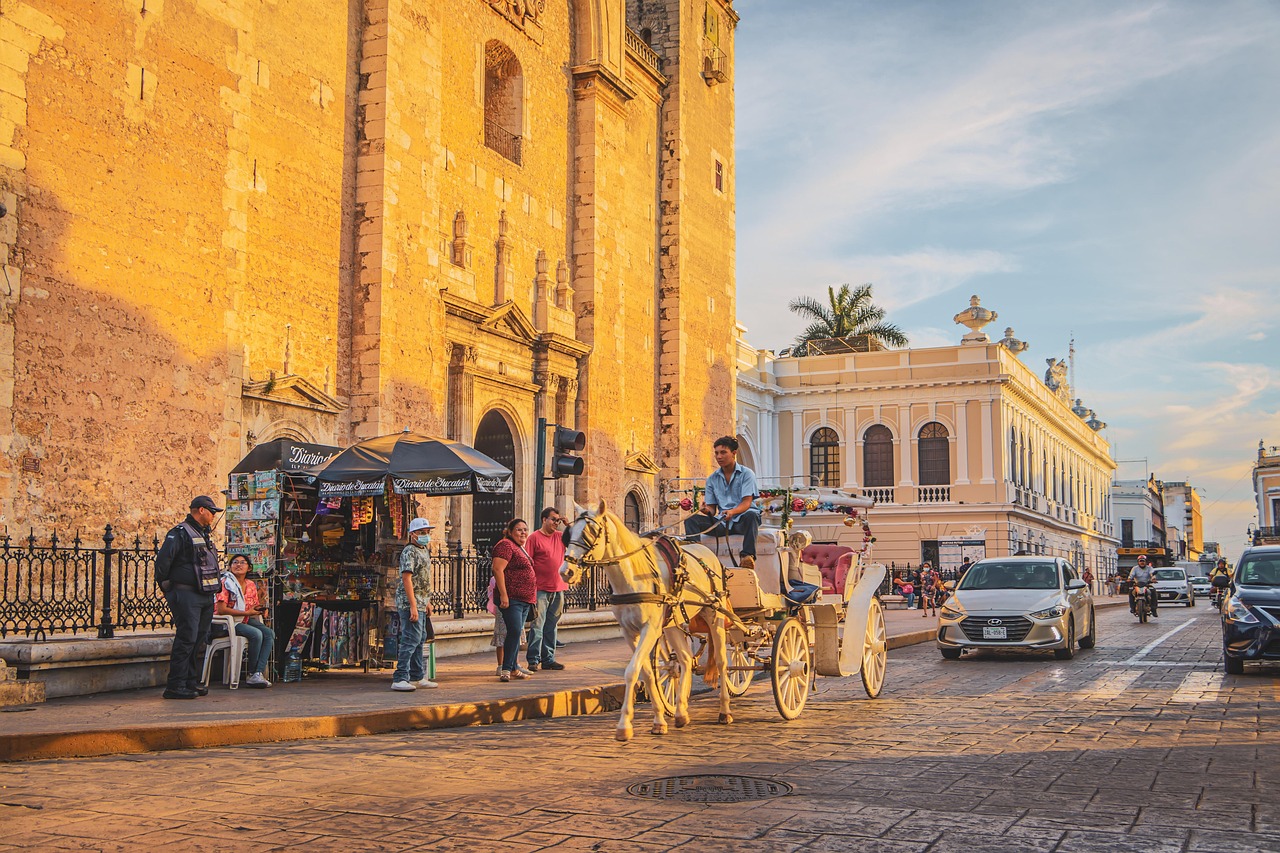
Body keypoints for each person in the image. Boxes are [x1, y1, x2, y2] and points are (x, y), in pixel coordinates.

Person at [154, 495, 224, 700]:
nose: (213, 516)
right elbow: (163, 562)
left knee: (198, 639)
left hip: (204, 594)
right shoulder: (180, 532)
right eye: (212, 512)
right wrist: (167, 587)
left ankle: (190, 682)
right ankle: (175, 685)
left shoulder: (203, 533)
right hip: (186, 594)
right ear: (201, 510)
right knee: (187, 638)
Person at [683, 436, 762, 570]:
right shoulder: (712, 479)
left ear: (734, 453)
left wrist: (732, 512)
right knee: (691, 520)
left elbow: (747, 502)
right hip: (722, 522)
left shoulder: (747, 474)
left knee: (752, 516)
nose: (719, 456)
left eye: (723, 452)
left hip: (743, 521)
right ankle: (696, 555)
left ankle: (747, 556)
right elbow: (712, 509)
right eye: (716, 453)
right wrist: (706, 510)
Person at [214, 554, 276, 688]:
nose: (238, 565)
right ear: (230, 567)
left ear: (249, 568)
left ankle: (258, 673)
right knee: (256, 634)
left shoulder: (250, 585)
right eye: (235, 562)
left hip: (244, 619)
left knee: (269, 633)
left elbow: (253, 606)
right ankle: (252, 672)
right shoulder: (225, 583)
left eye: (242, 562)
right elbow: (221, 609)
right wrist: (246, 613)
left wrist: (261, 609)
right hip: (227, 622)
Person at [391, 518, 438, 692]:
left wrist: (427, 601)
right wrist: (413, 605)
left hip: (421, 601)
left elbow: (423, 579)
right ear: (413, 534)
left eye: (427, 532)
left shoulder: (424, 550)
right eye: (422, 532)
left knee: (420, 638)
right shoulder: (409, 551)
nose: (425, 535)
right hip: (409, 601)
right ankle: (400, 676)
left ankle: (417, 675)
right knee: (411, 638)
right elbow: (407, 578)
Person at [492, 518, 537, 682]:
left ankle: (513, 667)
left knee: (516, 633)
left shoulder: (519, 547)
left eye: (525, 529)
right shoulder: (506, 545)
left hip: (525, 599)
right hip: (512, 598)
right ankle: (506, 669)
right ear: (510, 532)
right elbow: (497, 569)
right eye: (519, 529)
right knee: (514, 631)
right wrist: (504, 594)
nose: (523, 532)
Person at [525, 507, 567, 672]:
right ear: (544, 519)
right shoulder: (534, 538)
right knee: (537, 625)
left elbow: (576, 539)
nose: (556, 523)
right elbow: (528, 562)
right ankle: (533, 659)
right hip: (540, 589)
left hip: (558, 587)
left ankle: (548, 659)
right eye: (553, 519)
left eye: (558, 520)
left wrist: (568, 524)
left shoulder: (560, 536)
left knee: (552, 625)